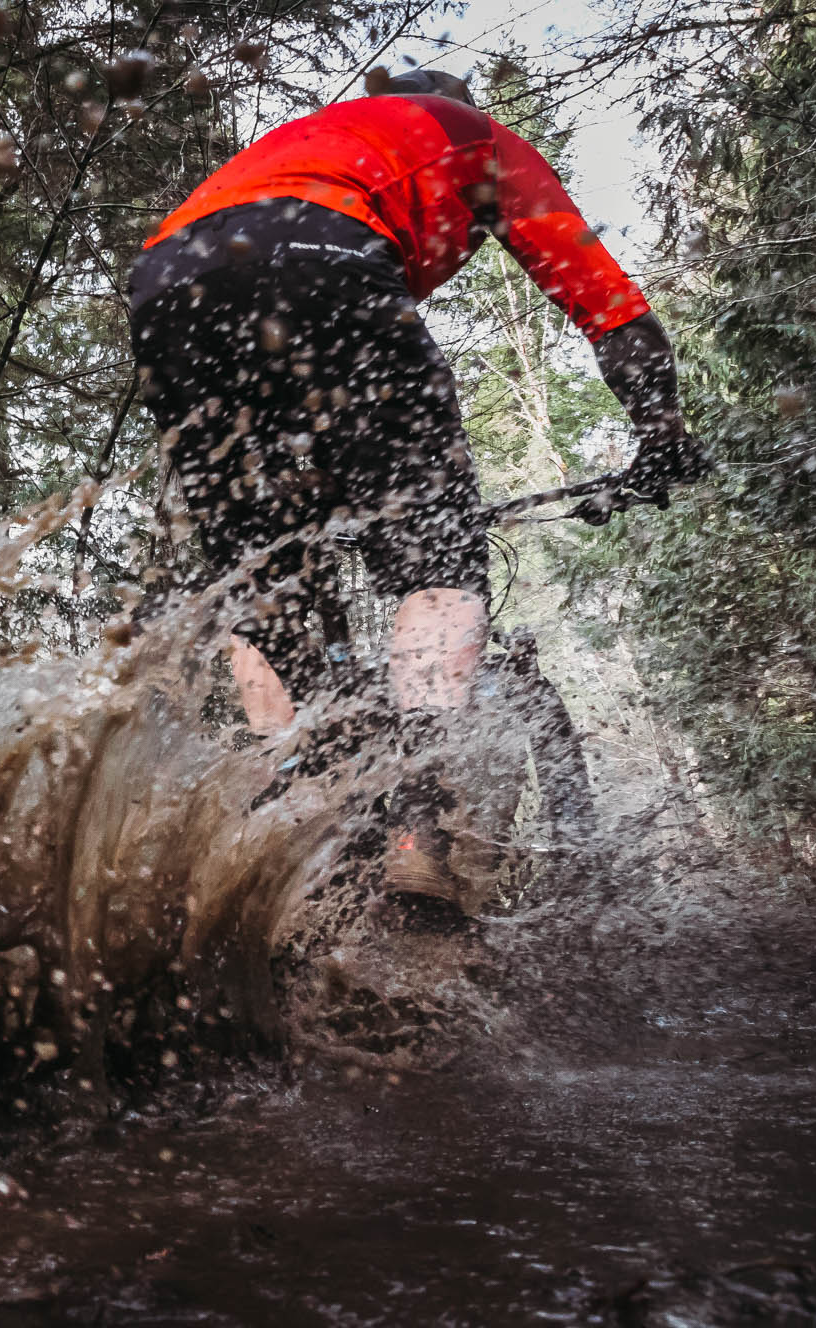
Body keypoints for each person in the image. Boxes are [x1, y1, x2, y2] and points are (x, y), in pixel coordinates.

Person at [125, 65, 710, 898]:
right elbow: (610, 307)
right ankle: (417, 829)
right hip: (319, 255)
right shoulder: (474, 136)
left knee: (264, 578)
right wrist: (661, 436)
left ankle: (295, 826)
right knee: (435, 557)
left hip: (164, 286)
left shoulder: (314, 139)